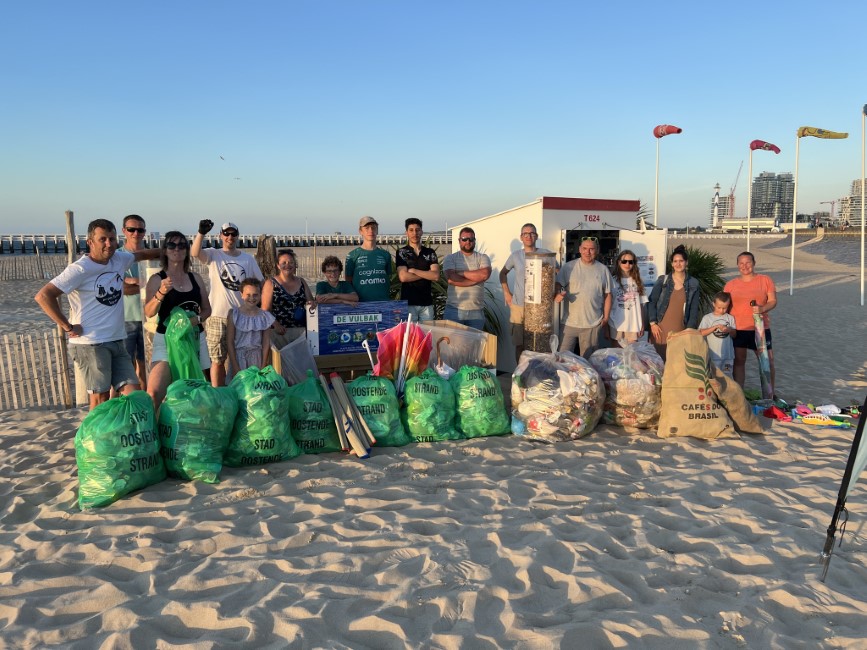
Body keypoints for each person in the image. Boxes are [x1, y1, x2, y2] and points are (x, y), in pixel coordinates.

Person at [34, 218, 160, 409]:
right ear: (90, 242)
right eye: (103, 239)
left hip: (117, 340)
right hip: (90, 343)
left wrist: (173, 251)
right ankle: (94, 437)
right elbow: (43, 296)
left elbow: (142, 254)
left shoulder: (119, 259)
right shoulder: (80, 269)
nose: (108, 244)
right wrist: (67, 326)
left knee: (133, 394)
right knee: (100, 399)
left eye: (112, 239)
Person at [143, 231, 212, 412]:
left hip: (195, 339)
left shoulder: (195, 278)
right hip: (166, 341)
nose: (177, 249)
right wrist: (161, 293)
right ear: (165, 250)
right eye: (172, 245)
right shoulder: (157, 279)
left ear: (187, 251)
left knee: (203, 389)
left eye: (182, 245)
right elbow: (148, 312)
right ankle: (154, 434)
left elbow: (207, 309)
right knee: (153, 393)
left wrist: (194, 321)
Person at [191, 219, 263, 386]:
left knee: (239, 357)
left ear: (238, 236)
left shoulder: (248, 259)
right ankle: (219, 393)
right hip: (217, 316)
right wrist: (201, 233)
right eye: (226, 233)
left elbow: (259, 284)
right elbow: (194, 253)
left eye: (233, 234)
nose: (230, 237)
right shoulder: (213, 254)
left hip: (242, 317)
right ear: (221, 236)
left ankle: (238, 390)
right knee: (217, 359)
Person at [499, 223, 554, 361]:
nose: (529, 236)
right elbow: (502, 273)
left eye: (532, 233)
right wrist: (506, 292)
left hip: (540, 308)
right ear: (521, 237)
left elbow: (557, 272)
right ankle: (520, 375)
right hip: (519, 306)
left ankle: (538, 373)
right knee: (520, 344)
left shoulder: (545, 254)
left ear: (536, 236)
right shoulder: (515, 256)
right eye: (525, 234)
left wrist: (557, 290)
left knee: (540, 343)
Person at [724, 251, 777, 389]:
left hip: (760, 328)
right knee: (739, 361)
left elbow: (773, 301)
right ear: (737, 265)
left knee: (767, 361)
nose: (744, 266)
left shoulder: (765, 280)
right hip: (738, 329)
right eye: (741, 263)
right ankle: (739, 391)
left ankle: (770, 392)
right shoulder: (730, 285)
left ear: (754, 263)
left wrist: (762, 308)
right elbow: (724, 306)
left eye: (748, 262)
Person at [554, 237, 613, 358]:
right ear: (580, 249)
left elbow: (608, 295)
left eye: (591, 249)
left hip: (592, 324)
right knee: (562, 358)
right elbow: (558, 284)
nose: (588, 252)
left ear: (597, 250)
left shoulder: (603, 270)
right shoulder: (568, 267)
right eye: (585, 248)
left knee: (588, 362)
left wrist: (606, 318)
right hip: (569, 322)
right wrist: (559, 293)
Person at [646, 244, 700, 361]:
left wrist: (689, 330)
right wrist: (653, 324)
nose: (678, 264)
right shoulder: (663, 280)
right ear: (671, 264)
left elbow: (694, 311)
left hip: (680, 330)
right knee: (659, 363)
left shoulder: (694, 284)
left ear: (686, 263)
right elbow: (651, 302)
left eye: (681, 261)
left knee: (677, 363)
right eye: (675, 261)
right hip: (660, 329)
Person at [261, 249, 313, 349]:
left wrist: (312, 303)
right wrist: (276, 325)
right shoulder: (270, 283)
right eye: (283, 263)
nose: (287, 265)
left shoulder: (301, 281)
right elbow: (265, 310)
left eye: (291, 262)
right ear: (278, 265)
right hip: (279, 332)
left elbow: (310, 302)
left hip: (300, 332)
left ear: (295, 265)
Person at [442, 227, 491, 330]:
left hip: (476, 312)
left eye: (471, 239)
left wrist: (460, 273)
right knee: (452, 344)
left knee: (474, 346)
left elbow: (485, 274)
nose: (468, 242)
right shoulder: (450, 258)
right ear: (459, 240)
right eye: (464, 239)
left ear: (474, 241)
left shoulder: (483, 257)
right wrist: (476, 279)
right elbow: (451, 278)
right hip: (454, 311)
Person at [121, 214, 148, 390]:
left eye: (140, 230)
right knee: (126, 365)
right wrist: (141, 282)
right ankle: (127, 401)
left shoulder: (150, 256)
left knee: (146, 365)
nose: (136, 233)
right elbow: (118, 288)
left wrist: (132, 282)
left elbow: (159, 283)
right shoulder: (117, 257)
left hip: (149, 319)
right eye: (131, 229)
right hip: (126, 318)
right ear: (124, 231)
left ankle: (145, 399)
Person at [396, 218, 440, 322]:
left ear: (422, 232)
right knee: (410, 335)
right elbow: (403, 277)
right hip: (409, 303)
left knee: (427, 334)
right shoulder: (402, 252)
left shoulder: (430, 252)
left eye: (417, 230)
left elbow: (436, 276)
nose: (414, 233)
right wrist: (427, 273)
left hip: (427, 303)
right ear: (406, 232)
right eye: (411, 230)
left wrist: (414, 271)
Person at [227, 278, 275, 373]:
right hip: (238, 358)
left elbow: (266, 342)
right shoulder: (234, 314)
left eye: (255, 295)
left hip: (257, 359)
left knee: (255, 386)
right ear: (242, 295)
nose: (252, 298)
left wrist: (263, 365)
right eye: (248, 295)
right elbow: (230, 341)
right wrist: (235, 365)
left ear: (260, 294)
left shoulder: (264, 316)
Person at [345, 216, 392, 302]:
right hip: (361, 304)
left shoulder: (386, 255)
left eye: (373, 228)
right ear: (360, 231)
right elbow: (348, 282)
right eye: (366, 228)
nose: (371, 230)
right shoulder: (352, 255)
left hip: (383, 303)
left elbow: (388, 278)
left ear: (377, 230)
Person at [608, 249, 648, 347]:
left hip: (633, 324)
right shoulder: (612, 281)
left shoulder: (638, 281)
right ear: (618, 262)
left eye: (631, 262)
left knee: (632, 356)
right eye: (624, 261)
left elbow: (641, 305)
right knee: (617, 356)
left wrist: (642, 324)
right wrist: (606, 328)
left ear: (634, 264)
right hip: (616, 324)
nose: (627, 264)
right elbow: (607, 304)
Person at [698, 291, 736, 378]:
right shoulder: (707, 318)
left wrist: (729, 330)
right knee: (714, 377)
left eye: (725, 308)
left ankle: (728, 391)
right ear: (713, 304)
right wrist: (714, 327)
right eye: (719, 307)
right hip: (713, 356)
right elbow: (700, 333)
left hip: (728, 356)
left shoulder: (730, 318)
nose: (722, 310)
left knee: (727, 376)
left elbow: (734, 334)